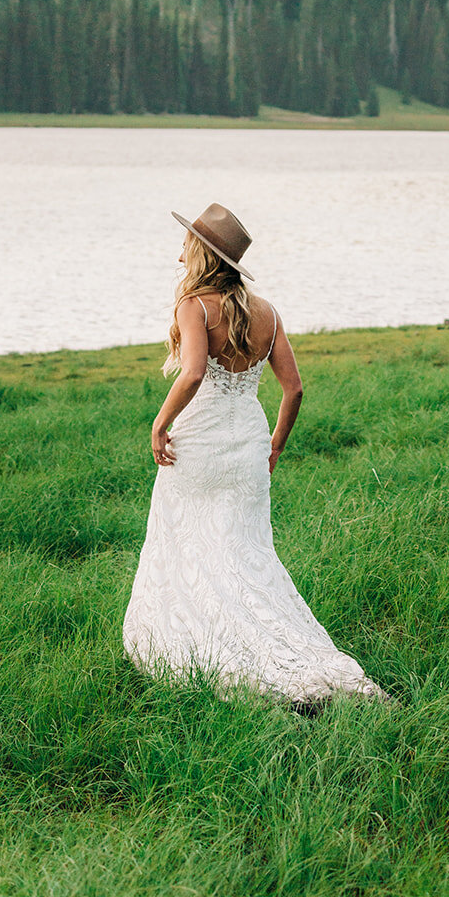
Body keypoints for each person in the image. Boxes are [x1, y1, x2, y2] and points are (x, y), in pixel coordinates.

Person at [123, 202, 387, 709]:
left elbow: (194, 373)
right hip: (247, 445)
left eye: (185, 247)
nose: (180, 258)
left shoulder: (195, 307)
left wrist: (159, 424)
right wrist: (276, 446)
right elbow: (294, 388)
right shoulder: (267, 311)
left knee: (191, 547)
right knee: (244, 551)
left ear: (202, 254)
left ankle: (212, 643)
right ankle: (299, 657)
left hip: (198, 447)